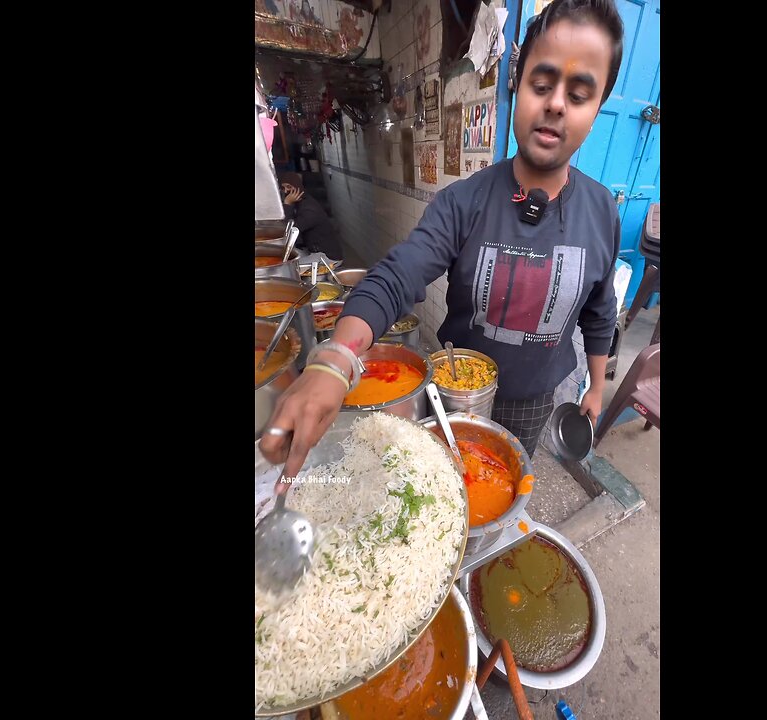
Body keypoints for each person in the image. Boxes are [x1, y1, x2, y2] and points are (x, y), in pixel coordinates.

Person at [261, 0, 624, 479]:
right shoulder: (462, 203)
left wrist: (596, 388)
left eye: (579, 95)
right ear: (517, 87)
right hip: (453, 387)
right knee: (445, 486)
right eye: (542, 83)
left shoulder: (601, 212)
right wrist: (335, 358)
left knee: (506, 483)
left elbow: (599, 312)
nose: (555, 103)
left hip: (534, 399)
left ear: (596, 111)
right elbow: (397, 274)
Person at [278, 171, 344, 261]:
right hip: (313, 250)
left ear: (298, 186)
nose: (285, 191)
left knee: (292, 266)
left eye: (289, 187)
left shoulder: (309, 208)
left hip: (327, 257)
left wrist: (287, 204)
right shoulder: (300, 203)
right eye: (283, 188)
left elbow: (290, 230)